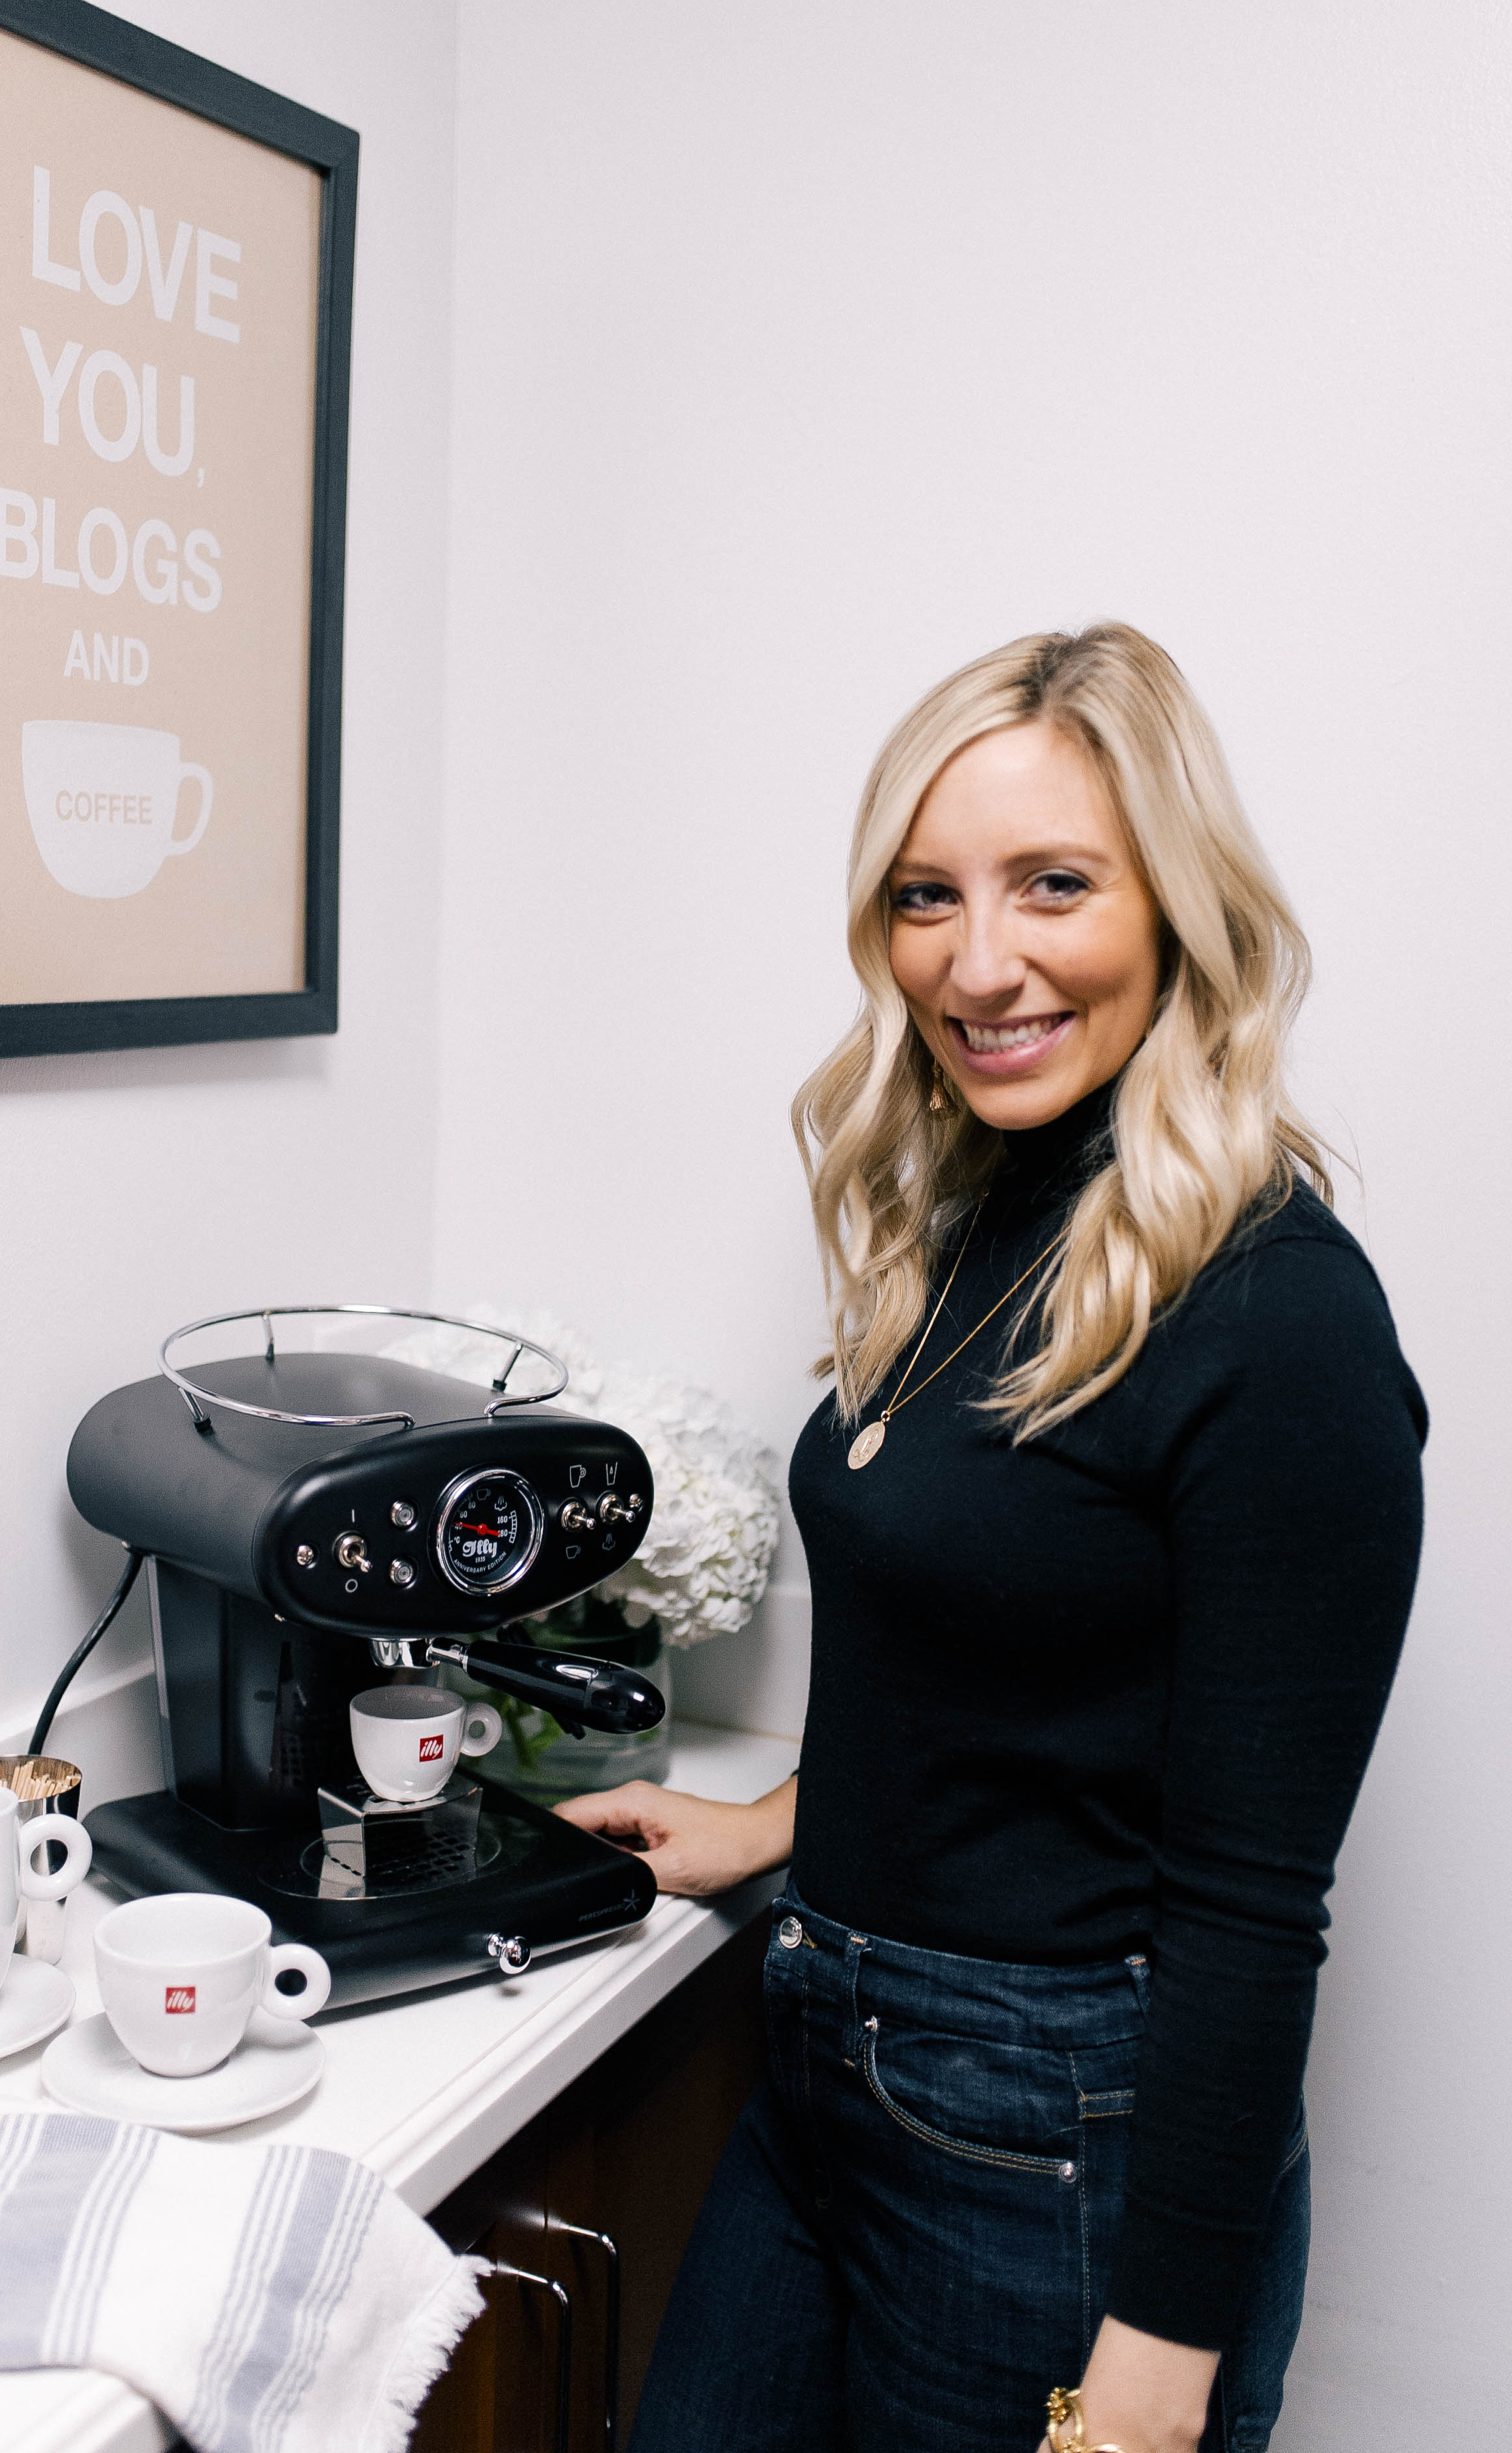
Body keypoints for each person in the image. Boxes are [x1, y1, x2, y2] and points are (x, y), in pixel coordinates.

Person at [558, 625, 1425, 2453]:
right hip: (827, 2052)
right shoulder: (985, 1207)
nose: (980, 961)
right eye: (925, 897)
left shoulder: (1280, 1322)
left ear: (1177, 909)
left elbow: (1255, 1906)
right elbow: (980, 1654)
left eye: (1055, 887)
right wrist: (780, 1826)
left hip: (1056, 2141)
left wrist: (1159, 2367)